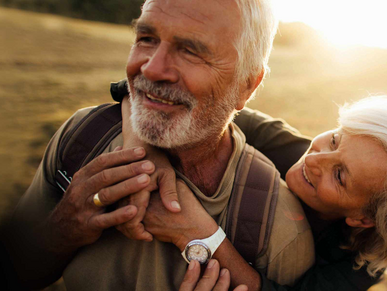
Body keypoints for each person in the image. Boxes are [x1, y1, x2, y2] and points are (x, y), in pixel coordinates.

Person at [4, 0, 315, 290]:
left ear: (247, 84)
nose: (151, 68)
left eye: (191, 51)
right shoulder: (81, 137)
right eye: (147, 38)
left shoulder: (277, 228)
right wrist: (63, 227)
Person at [168, 96, 387, 290]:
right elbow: (194, 105)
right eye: (334, 141)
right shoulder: (287, 145)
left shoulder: (362, 265)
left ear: (363, 219)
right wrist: (147, 151)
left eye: (339, 176)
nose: (311, 159)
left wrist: (202, 235)